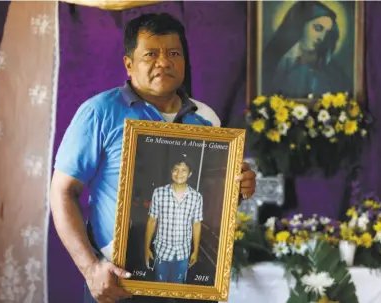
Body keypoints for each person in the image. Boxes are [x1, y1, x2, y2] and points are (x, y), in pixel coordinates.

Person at [50, 12, 256, 303]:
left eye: (174, 53)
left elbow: (209, 200)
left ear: (185, 61)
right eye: (151, 54)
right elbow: (62, 191)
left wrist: (239, 188)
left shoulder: (206, 117)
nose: (164, 62)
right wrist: (91, 269)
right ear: (129, 64)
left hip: (189, 283)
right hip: (120, 284)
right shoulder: (99, 112)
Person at [262, 1, 350, 99]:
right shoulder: (272, 61)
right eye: (318, 28)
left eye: (327, 34)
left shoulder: (332, 71)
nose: (322, 38)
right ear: (301, 25)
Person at [144, 154, 202, 284]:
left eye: (184, 170)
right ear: (171, 172)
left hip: (183, 252)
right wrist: (146, 248)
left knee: (177, 286)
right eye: (176, 169)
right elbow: (152, 221)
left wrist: (196, 251)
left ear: (190, 173)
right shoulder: (158, 193)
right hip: (162, 251)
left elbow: (196, 224)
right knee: (159, 286)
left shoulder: (196, 197)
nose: (179, 173)